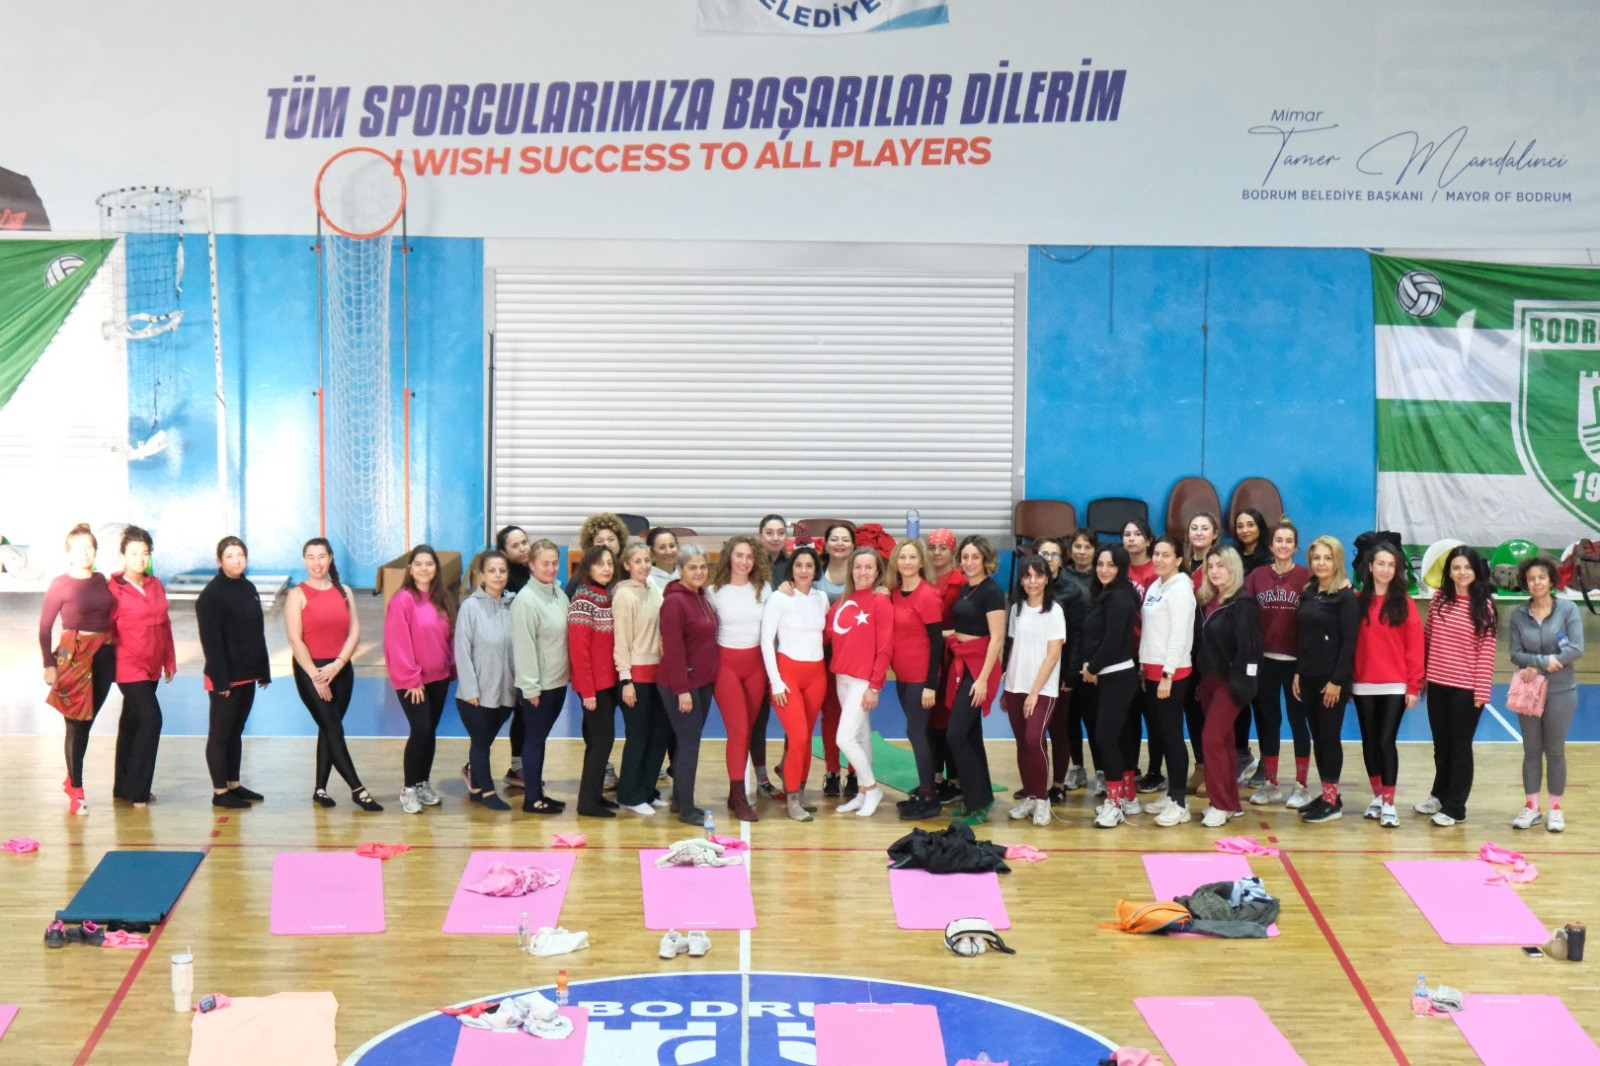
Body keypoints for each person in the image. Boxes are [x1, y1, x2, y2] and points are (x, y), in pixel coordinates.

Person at [285, 537, 380, 811]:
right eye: (311, 557)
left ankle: (320, 789)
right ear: (304, 561)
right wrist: (317, 677)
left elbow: (355, 632)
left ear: (330, 558)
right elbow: (295, 640)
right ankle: (357, 789)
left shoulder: (344, 591)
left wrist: (337, 665)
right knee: (334, 729)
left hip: (341, 671)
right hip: (310, 671)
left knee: (329, 729)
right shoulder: (296, 595)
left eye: (321, 556)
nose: (317, 563)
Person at [39, 524, 118, 815]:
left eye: (90, 547)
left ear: (96, 550)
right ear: (68, 552)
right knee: (75, 724)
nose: (85, 553)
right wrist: (49, 665)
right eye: (79, 548)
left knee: (88, 720)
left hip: (105, 655)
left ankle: (72, 777)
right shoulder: (60, 585)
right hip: (73, 657)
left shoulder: (102, 580)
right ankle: (77, 790)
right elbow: (44, 629)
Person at [1415, 546, 1497, 827]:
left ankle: (1456, 807)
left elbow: (1486, 651)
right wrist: (1422, 675)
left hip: (1466, 690)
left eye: (1467, 568)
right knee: (1441, 746)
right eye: (1456, 568)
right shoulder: (1439, 599)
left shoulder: (1484, 606)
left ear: (1476, 571)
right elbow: (1428, 638)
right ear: (1449, 572)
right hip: (1438, 684)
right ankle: (1439, 795)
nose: (1462, 573)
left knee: (1460, 747)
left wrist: (1481, 691)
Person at [1350, 540, 1423, 829]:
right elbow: (1350, 644)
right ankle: (1378, 796)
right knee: (1369, 741)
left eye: (1391, 565)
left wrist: (1413, 685)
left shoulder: (1405, 604)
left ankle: (1390, 804)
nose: (1385, 569)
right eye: (1380, 563)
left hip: (1395, 684)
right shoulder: (1356, 601)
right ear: (1370, 566)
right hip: (1362, 684)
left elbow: (1415, 647)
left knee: (1385, 741)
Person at [1508, 556, 1584, 832]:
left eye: (1541, 577)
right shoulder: (1518, 614)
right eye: (1531, 579)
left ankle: (1555, 810)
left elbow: (1576, 648)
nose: (1536, 582)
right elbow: (1515, 653)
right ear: (1525, 583)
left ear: (1551, 580)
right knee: (1531, 750)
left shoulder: (1568, 610)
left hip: (1561, 690)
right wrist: (1541, 662)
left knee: (1555, 751)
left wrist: (1544, 662)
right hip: (1528, 690)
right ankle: (1532, 808)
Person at [197, 536, 271, 810]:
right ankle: (220, 792)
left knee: (236, 731)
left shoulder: (248, 587)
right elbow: (211, 643)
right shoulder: (211, 596)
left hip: (246, 674)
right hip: (224, 678)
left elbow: (256, 632)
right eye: (230, 556)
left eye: (240, 555)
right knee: (220, 734)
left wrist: (263, 670)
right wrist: (221, 680)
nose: (236, 560)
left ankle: (233, 784)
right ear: (219, 561)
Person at [1244, 521, 1312, 807]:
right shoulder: (1257, 576)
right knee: (1269, 721)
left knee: (1298, 722)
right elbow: (1245, 614)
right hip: (1266, 662)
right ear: (1271, 546)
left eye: (1288, 541)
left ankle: (1301, 786)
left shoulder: (1308, 576)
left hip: (1297, 663)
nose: (1283, 545)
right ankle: (1271, 784)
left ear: (1296, 547)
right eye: (1278, 540)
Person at [384, 544, 456, 815]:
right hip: (413, 681)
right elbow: (397, 641)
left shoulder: (442, 598)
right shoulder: (403, 599)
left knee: (429, 732)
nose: (424, 568)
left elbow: (447, 637)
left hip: (439, 678)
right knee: (421, 730)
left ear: (436, 568)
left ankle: (422, 782)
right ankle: (408, 789)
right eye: (418, 564)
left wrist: (451, 668)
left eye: (429, 564)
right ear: (410, 569)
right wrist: (412, 679)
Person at [1193, 547, 1262, 828]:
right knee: (1224, 743)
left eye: (1221, 565)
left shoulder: (1242, 604)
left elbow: (1250, 650)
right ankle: (1231, 804)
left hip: (1230, 684)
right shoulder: (1208, 601)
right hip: (1208, 681)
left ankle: (1219, 804)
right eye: (1210, 566)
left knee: (1211, 740)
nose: (1215, 571)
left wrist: (1243, 686)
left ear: (1233, 568)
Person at [1293, 536, 1360, 824]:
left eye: (1327, 558)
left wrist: (1337, 681)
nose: (1321, 563)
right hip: (1308, 676)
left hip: (1331, 681)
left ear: (1337, 561)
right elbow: (1304, 637)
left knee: (1329, 738)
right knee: (1318, 737)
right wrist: (1299, 671)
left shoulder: (1345, 596)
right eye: (1317, 558)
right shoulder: (1309, 592)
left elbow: (1349, 643)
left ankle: (1332, 802)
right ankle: (1328, 794)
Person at [107, 525, 174, 810]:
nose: (140, 559)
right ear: (123, 555)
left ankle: (122, 786)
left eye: (145, 553)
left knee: (132, 722)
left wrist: (169, 659)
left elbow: (165, 624)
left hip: (152, 666)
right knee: (151, 719)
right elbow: (105, 630)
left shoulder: (156, 585)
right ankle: (138, 791)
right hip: (128, 666)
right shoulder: (113, 589)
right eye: (133, 553)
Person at [761, 545, 830, 822]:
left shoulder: (821, 598)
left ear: (816, 570)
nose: (803, 570)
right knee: (798, 737)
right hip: (787, 675)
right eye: (799, 565)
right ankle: (791, 798)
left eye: (809, 566)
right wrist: (776, 681)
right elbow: (766, 641)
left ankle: (800, 793)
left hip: (817, 675)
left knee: (805, 739)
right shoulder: (779, 598)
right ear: (791, 569)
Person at [942, 535, 1007, 825]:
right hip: (964, 660)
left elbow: (997, 638)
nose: (969, 562)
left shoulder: (991, 591)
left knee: (956, 734)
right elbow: (964, 626)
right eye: (965, 557)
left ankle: (979, 800)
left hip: (980, 666)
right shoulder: (967, 587)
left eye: (975, 557)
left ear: (986, 559)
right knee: (969, 734)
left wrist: (981, 680)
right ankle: (976, 800)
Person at [709, 535, 771, 822]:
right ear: (729, 557)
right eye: (739, 555)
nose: (744, 562)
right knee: (738, 730)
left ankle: (734, 794)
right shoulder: (714, 591)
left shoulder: (764, 589)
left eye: (749, 557)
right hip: (726, 667)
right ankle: (739, 794)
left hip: (756, 667)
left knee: (747, 732)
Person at [828, 547, 894, 818]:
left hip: (862, 682)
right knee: (861, 736)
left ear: (877, 572)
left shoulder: (880, 601)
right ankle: (863, 794)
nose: (862, 572)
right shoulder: (844, 600)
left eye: (868, 567)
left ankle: (872, 788)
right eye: (858, 567)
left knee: (844, 738)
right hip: (841, 679)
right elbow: (827, 629)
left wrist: (874, 686)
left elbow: (885, 649)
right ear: (851, 570)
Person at [657, 543, 719, 825]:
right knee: (689, 744)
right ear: (680, 569)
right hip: (682, 684)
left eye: (703, 567)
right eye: (692, 567)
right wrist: (682, 690)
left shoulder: (701, 596)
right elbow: (673, 650)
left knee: (687, 743)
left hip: (702, 682)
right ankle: (687, 809)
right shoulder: (674, 602)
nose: (699, 572)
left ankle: (679, 801)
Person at [1003, 554, 1065, 828]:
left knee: (1033, 740)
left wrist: (1034, 692)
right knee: (1022, 743)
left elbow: (1052, 656)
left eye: (1038, 576)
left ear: (1047, 579)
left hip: (1042, 690)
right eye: (1027, 576)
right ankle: (1030, 796)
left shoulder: (1055, 611)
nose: (1032, 581)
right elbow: (1012, 649)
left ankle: (1042, 800)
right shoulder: (1016, 609)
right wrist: (1006, 686)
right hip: (1014, 686)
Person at [886, 538, 946, 821]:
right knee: (917, 732)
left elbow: (937, 643)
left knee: (917, 732)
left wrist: (930, 685)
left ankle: (930, 797)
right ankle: (925, 788)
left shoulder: (928, 596)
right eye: (902, 557)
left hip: (922, 679)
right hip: (903, 677)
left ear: (921, 562)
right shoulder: (894, 594)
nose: (907, 562)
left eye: (912, 557)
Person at [454, 549, 518, 812]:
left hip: (506, 692)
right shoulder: (470, 607)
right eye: (491, 571)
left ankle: (474, 782)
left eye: (502, 570)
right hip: (476, 695)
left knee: (482, 742)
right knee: (481, 743)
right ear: (481, 575)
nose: (498, 575)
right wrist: (471, 689)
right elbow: (462, 650)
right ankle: (488, 792)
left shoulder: (513, 605)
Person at [1140, 536, 1197, 827]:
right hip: (1151, 671)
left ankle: (1179, 802)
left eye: (1166, 555)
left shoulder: (1182, 590)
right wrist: (1143, 666)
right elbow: (1151, 631)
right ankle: (1171, 793)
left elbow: (1179, 636)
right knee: (1161, 735)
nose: (1159, 559)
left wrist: (1168, 674)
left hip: (1171, 674)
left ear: (1178, 560)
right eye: (1156, 554)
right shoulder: (1156, 586)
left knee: (1172, 737)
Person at [511, 539, 571, 815]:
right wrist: (530, 688)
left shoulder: (558, 593)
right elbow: (524, 648)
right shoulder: (526, 601)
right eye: (544, 563)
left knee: (540, 738)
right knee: (534, 741)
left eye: (554, 562)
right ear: (532, 565)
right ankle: (532, 799)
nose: (551, 568)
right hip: (539, 688)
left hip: (558, 682)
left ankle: (538, 793)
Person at [1083, 544, 1141, 829]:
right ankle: (1128, 796)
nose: (1104, 569)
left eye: (1111, 564)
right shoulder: (1106, 593)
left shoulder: (1119, 597)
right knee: (1119, 736)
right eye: (1100, 564)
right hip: (1109, 675)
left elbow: (1112, 640)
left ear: (1121, 567)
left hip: (1117, 675)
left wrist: (1091, 668)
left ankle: (1115, 803)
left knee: (1106, 738)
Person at [613, 542, 670, 815]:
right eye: (637, 561)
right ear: (626, 565)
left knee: (658, 736)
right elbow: (621, 641)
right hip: (636, 676)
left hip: (657, 674)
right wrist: (626, 680)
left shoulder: (652, 589)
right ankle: (629, 795)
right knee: (638, 738)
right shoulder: (624, 595)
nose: (644, 566)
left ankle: (647, 790)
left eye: (647, 560)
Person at [568, 545, 621, 818]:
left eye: (609, 563)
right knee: (602, 741)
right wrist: (588, 691)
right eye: (600, 564)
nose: (606, 568)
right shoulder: (582, 601)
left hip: (608, 684)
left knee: (597, 743)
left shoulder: (606, 597)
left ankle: (593, 795)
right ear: (588, 568)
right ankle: (587, 803)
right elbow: (579, 652)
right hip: (594, 687)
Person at [812, 523, 857, 797]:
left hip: (855, 656)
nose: (840, 544)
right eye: (835, 539)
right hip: (824, 654)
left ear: (853, 545)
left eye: (845, 539)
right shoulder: (814, 573)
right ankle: (832, 771)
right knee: (830, 714)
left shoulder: (862, 572)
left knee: (854, 715)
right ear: (826, 544)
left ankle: (855, 772)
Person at [924, 527, 964, 802]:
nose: (937, 553)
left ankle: (956, 779)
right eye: (932, 548)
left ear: (953, 551)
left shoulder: (961, 583)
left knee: (948, 721)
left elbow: (969, 624)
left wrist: (941, 635)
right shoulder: (921, 580)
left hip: (952, 660)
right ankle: (936, 776)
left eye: (943, 548)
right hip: (926, 659)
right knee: (928, 720)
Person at [1059, 528, 1099, 794]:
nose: (1082, 551)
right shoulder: (1062, 576)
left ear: (1094, 550)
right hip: (1067, 656)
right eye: (1077, 546)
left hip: (1093, 656)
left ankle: (1102, 770)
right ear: (1070, 549)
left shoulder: (1102, 574)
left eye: (1087, 547)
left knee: (1094, 718)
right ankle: (1077, 767)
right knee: (1069, 717)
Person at [495, 524, 532, 789]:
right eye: (515, 545)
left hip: (526, 660)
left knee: (523, 714)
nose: (523, 548)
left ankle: (518, 767)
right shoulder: (503, 580)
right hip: (504, 661)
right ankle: (474, 766)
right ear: (503, 552)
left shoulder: (533, 573)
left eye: (524, 542)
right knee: (495, 715)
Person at [564, 513, 627, 597]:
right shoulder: (583, 573)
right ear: (591, 545)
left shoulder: (627, 568)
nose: (606, 544)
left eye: (611, 539)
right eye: (600, 541)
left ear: (619, 541)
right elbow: (567, 598)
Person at [1232, 508, 1272, 574]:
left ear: (1260, 528)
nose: (1244, 530)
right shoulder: (1231, 556)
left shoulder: (1270, 558)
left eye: (1250, 525)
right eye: (1240, 526)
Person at [646, 527, 680, 593]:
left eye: (672, 546)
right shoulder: (646, 581)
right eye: (662, 548)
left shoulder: (686, 577)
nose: (669, 552)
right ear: (651, 552)